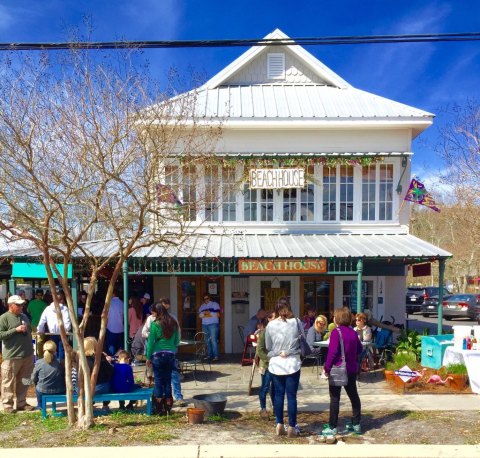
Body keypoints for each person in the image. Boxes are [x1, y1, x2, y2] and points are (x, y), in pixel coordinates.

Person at [322, 307, 363, 440]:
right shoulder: (352, 332)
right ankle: (356, 424)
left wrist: (326, 369)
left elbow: (332, 353)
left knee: (335, 398)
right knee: (354, 396)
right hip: (351, 369)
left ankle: (333, 427)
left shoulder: (336, 332)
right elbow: (360, 349)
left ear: (337, 319)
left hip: (338, 370)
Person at [264, 297, 302, 438]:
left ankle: (279, 424)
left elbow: (268, 346)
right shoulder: (296, 322)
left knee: (278, 395)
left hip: (276, 363)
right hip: (292, 363)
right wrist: (289, 351)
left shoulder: (271, 325)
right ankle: (292, 427)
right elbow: (301, 344)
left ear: (276, 309)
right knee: (292, 396)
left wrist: (278, 351)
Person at [0, 295, 35, 412]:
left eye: (22, 305)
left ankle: (22, 402)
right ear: (11, 306)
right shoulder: (4, 318)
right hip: (12, 356)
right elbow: (1, 335)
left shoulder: (24, 316)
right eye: (18, 305)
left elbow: (29, 331)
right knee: (8, 381)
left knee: (25, 380)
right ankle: (7, 405)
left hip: (27, 355)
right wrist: (15, 330)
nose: (21, 307)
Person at [146, 304, 180, 415]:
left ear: (158, 312)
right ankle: (168, 407)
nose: (153, 315)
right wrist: (171, 347)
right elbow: (176, 341)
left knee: (159, 381)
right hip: (170, 355)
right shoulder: (173, 323)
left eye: (154, 312)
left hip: (158, 355)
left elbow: (150, 342)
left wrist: (148, 357)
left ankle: (159, 408)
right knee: (167, 380)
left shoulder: (155, 324)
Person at [159, 298, 186, 407]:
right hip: (158, 352)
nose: (163, 307)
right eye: (161, 305)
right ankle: (164, 398)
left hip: (171, 351)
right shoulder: (152, 319)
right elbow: (145, 333)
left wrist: (175, 344)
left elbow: (178, 332)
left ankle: (178, 397)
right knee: (161, 376)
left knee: (174, 374)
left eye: (165, 304)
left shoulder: (172, 318)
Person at [37, 291, 72, 361]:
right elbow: (67, 323)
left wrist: (40, 330)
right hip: (63, 334)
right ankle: (61, 367)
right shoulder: (64, 309)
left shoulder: (48, 309)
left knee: (53, 350)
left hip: (52, 333)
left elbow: (41, 322)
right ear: (62, 299)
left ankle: (54, 365)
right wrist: (66, 330)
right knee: (62, 351)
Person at [31, 340, 65, 411]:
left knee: (38, 386)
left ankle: (40, 406)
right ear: (55, 350)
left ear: (43, 350)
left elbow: (33, 378)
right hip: (60, 391)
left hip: (43, 391)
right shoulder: (60, 363)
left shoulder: (39, 362)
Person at [83, 336, 114, 411]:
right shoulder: (100, 356)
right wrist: (109, 362)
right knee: (108, 381)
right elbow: (110, 372)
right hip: (99, 388)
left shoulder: (79, 356)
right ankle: (105, 405)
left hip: (82, 388)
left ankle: (90, 404)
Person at [256, 311, 276, 418]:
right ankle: (263, 408)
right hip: (266, 365)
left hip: (277, 366)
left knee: (275, 388)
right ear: (268, 319)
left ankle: (275, 408)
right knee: (265, 387)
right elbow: (260, 350)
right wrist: (269, 360)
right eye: (274, 317)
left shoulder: (278, 332)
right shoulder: (263, 333)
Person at [198, 294, 221, 362]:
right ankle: (209, 355)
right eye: (204, 299)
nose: (206, 300)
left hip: (213, 324)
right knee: (207, 341)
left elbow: (217, 314)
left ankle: (216, 356)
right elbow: (200, 315)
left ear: (210, 298)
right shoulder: (202, 306)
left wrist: (206, 313)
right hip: (204, 325)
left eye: (207, 298)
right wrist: (209, 313)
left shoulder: (215, 304)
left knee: (213, 340)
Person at [27, 289, 47, 357]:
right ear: (42, 296)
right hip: (41, 326)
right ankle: (40, 358)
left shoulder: (31, 303)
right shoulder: (44, 304)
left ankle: (34, 358)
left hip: (33, 325)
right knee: (40, 342)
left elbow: (28, 312)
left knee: (33, 342)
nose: (39, 296)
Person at [106, 289, 124, 356]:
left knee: (111, 347)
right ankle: (120, 360)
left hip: (111, 328)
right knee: (120, 348)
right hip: (120, 328)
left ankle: (112, 362)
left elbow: (106, 317)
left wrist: (104, 327)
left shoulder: (109, 303)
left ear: (113, 294)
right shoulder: (122, 303)